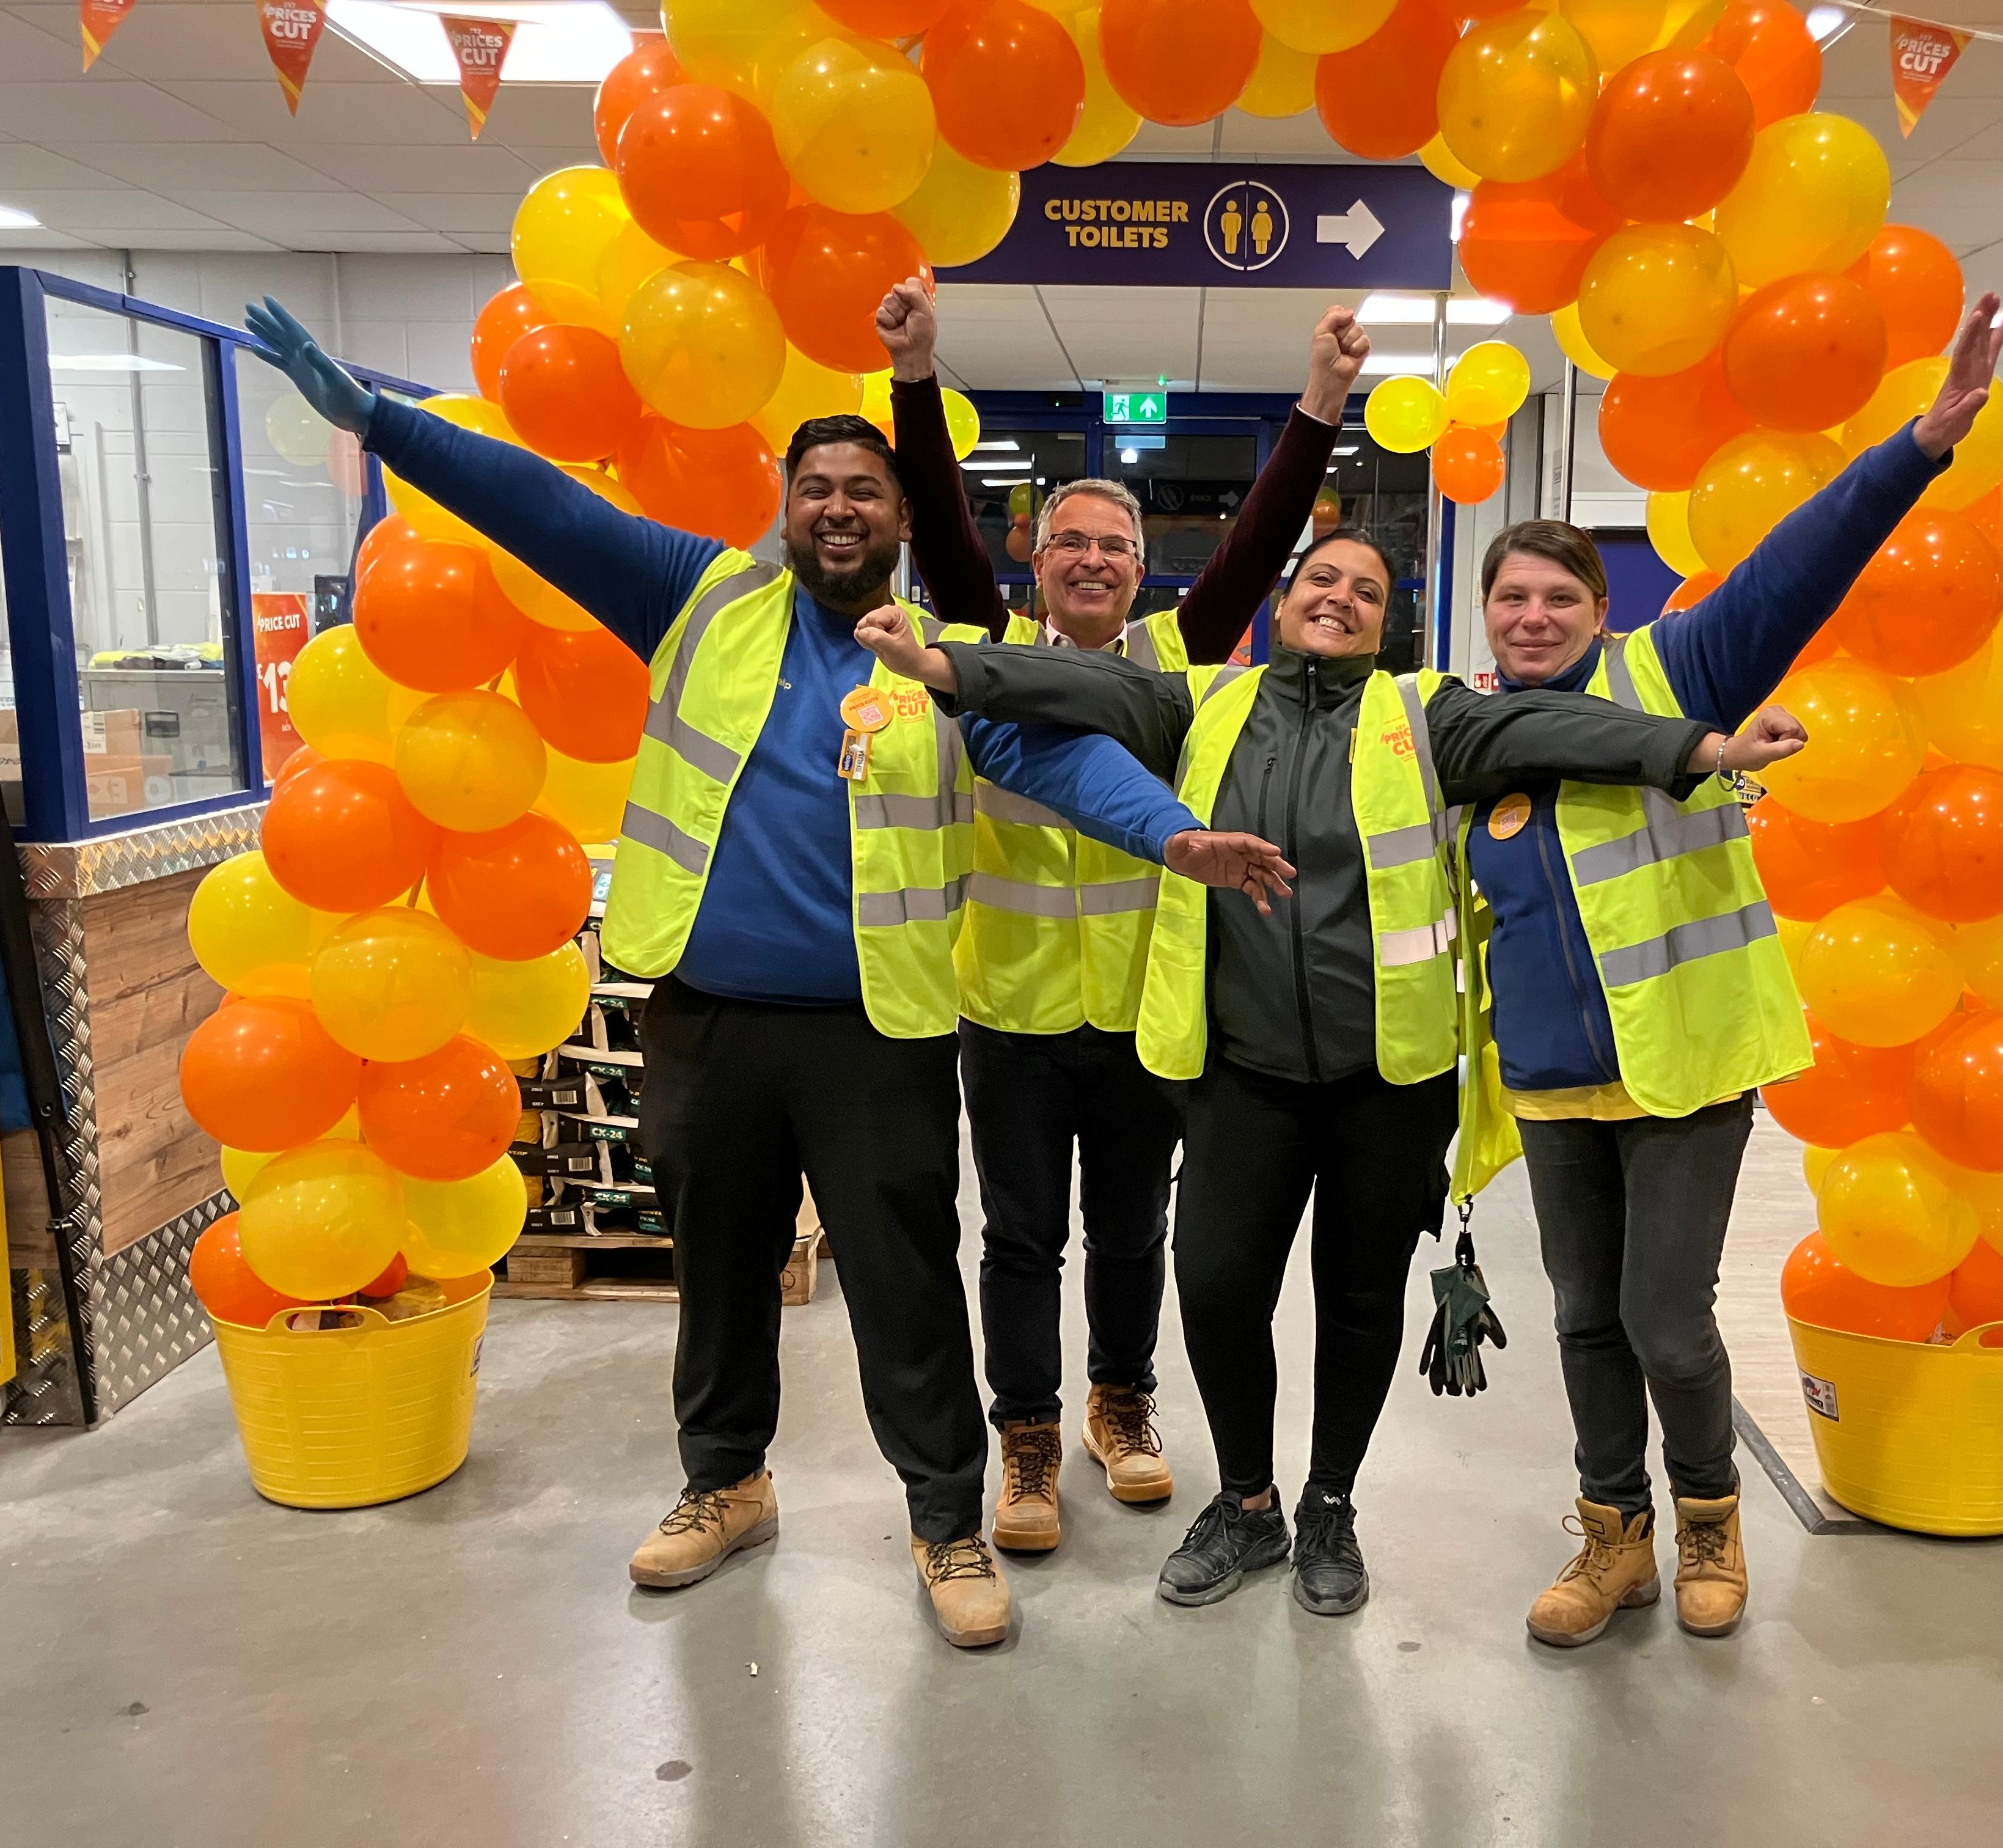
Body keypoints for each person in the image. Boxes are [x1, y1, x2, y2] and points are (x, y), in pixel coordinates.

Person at [240, 298, 1291, 1651]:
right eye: (817, 489)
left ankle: (946, 1520)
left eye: (866, 492)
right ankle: (725, 1482)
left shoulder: (938, 661)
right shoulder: (696, 599)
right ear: (787, 509)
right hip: (711, 1021)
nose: (840, 510)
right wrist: (384, 423)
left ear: (905, 521)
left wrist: (1173, 836)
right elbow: (543, 509)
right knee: (722, 1274)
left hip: (876, 1034)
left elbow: (1059, 760)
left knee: (907, 1292)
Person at [853, 535, 1806, 1618]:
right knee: (1217, 1288)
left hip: (1387, 1080)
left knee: (1359, 1304)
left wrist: (1703, 747)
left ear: (1384, 623)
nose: (1340, 598)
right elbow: (1084, 683)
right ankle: (1247, 1503)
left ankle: (1330, 1506)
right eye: (1321, 580)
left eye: (1367, 590)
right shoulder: (1206, 705)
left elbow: (1559, 728)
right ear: (1284, 600)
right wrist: (943, 667)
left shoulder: (1426, 715)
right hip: (1241, 1075)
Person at [1453, 295, 2003, 1648]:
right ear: (1487, 612)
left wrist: (1915, 449)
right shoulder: (1462, 734)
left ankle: (1709, 1515)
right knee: (1585, 1320)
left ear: (1600, 610)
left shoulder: (1677, 669)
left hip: (1692, 1066)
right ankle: (1614, 1539)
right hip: (1555, 1080)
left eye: (1560, 597)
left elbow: (1788, 572)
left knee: (1664, 1321)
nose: (1534, 616)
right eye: (1512, 597)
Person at [876, 279, 1369, 1552]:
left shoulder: (1173, 663)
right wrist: (918, 379)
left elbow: (1258, 544)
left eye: (1115, 546)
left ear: (1141, 572)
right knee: (1021, 1236)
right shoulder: (984, 647)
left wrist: (1320, 403)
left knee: (1134, 1230)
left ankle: (1121, 1401)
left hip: (1147, 1009)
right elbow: (940, 523)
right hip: (1014, 1005)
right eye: (1071, 543)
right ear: (1036, 563)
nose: (1093, 559)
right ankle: (1028, 1437)